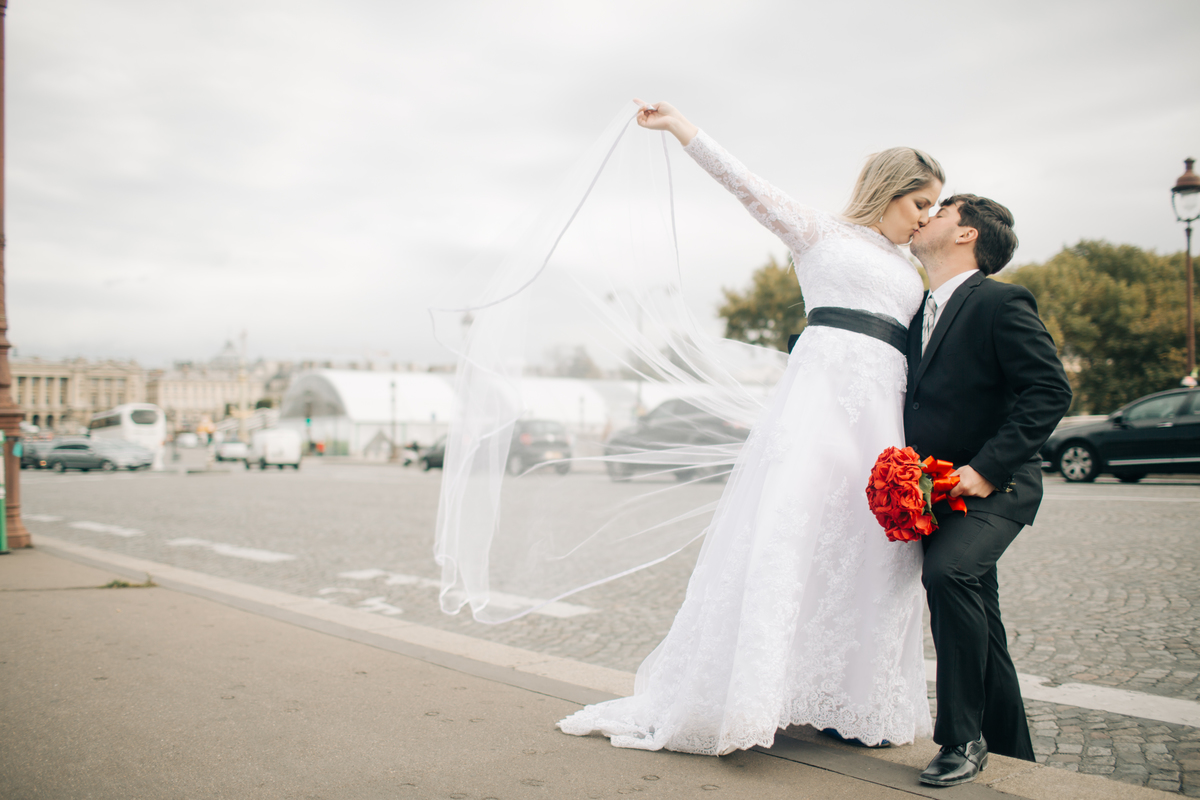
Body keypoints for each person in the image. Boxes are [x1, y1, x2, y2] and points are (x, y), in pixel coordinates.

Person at [557, 101, 944, 754]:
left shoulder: (912, 270)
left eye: (934, 207)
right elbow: (743, 183)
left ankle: (847, 699)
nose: (927, 217)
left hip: (884, 416)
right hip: (820, 409)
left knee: (869, 553)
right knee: (791, 538)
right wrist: (682, 128)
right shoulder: (819, 233)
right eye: (920, 203)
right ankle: (756, 694)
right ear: (888, 190)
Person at [905, 197, 1072, 785]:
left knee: (949, 575)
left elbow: (1050, 391)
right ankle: (1011, 747)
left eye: (940, 210)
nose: (924, 216)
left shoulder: (1001, 302)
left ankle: (962, 738)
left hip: (996, 488)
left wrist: (987, 468)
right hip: (935, 494)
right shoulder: (916, 310)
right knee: (981, 617)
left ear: (966, 233)